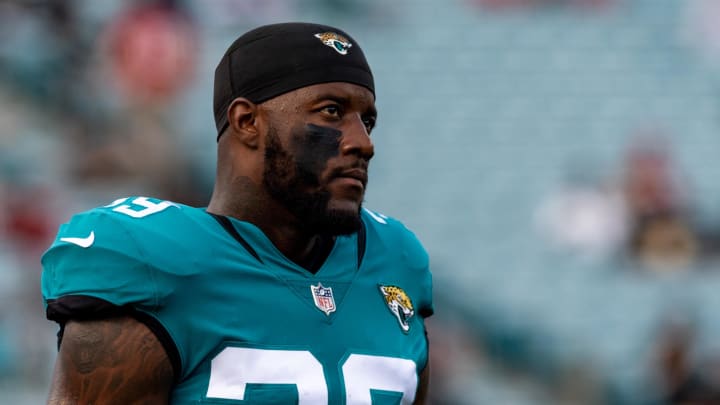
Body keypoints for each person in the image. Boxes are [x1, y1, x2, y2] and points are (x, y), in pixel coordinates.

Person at [41, 22, 433, 404]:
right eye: (331, 112)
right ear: (247, 121)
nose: (363, 144)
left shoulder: (396, 260)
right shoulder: (156, 264)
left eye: (367, 121)